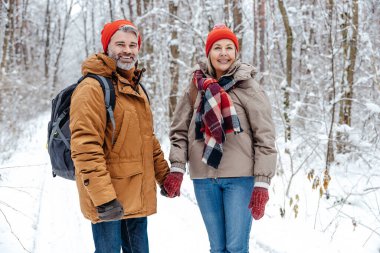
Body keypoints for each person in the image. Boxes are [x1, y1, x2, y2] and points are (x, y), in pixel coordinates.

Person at [163, 24, 277, 252]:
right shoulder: (196, 88)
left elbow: (265, 138)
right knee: (217, 247)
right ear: (209, 53)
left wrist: (262, 183)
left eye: (229, 47)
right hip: (204, 180)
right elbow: (179, 131)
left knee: (235, 247)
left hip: (240, 179)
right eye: (217, 47)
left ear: (235, 53)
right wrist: (176, 167)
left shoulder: (248, 87)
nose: (223, 53)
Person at [70, 19, 171, 253]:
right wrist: (104, 198)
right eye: (120, 44)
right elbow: (85, 147)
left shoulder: (135, 86)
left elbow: (148, 139)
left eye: (132, 45)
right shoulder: (92, 88)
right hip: (107, 198)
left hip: (135, 194)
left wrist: (163, 175)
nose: (127, 50)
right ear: (107, 47)